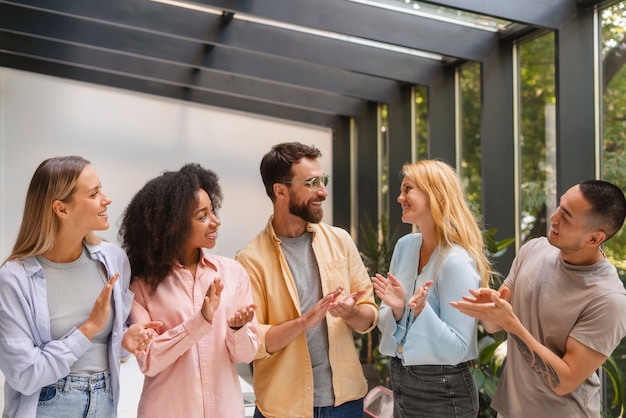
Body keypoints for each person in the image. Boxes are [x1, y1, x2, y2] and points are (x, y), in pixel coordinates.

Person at [451, 179, 626, 417]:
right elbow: (494, 325)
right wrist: (490, 309)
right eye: (559, 206)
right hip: (510, 411)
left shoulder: (608, 299)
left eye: (566, 217)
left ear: (594, 238)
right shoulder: (534, 250)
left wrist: (513, 324)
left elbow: (564, 380)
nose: (553, 218)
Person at [0, 156, 158, 418]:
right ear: (61, 209)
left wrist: (124, 340)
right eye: (94, 193)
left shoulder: (113, 261)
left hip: (104, 402)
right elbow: (24, 375)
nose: (106, 199)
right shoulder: (14, 279)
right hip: (47, 406)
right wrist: (87, 330)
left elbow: (110, 348)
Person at [235, 141, 378, 418]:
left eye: (323, 181)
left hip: (345, 404)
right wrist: (304, 322)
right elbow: (254, 342)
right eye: (312, 183)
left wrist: (352, 313)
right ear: (280, 191)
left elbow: (368, 318)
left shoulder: (341, 241)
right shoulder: (249, 260)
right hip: (283, 408)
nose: (322, 192)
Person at [118, 163, 260, 418]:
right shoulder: (142, 284)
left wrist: (237, 330)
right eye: (202, 216)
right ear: (174, 226)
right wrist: (200, 322)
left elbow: (246, 355)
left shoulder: (232, 273)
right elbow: (149, 361)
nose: (215, 222)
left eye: (213, 211)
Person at [371, 159, 491, 418]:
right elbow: (390, 326)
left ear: (434, 195)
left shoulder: (456, 262)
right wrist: (401, 310)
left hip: (443, 391)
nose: (399, 197)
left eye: (407, 189)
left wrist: (421, 312)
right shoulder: (405, 246)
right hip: (402, 379)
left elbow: (458, 348)